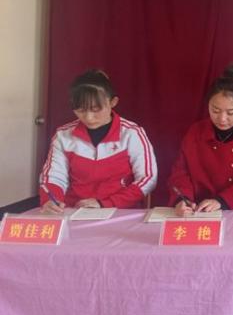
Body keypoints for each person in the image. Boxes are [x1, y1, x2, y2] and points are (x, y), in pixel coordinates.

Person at [39, 70, 157, 213]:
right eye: (81, 110)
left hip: (120, 211)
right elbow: (54, 177)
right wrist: (51, 201)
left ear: (113, 102)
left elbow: (147, 178)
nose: (89, 117)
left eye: (96, 109)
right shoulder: (63, 135)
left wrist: (104, 204)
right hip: (74, 210)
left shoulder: (131, 133)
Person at [168, 65, 233, 215]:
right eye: (215, 110)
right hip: (201, 210)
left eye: (230, 112)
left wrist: (222, 201)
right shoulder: (196, 133)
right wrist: (182, 199)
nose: (222, 119)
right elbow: (180, 173)